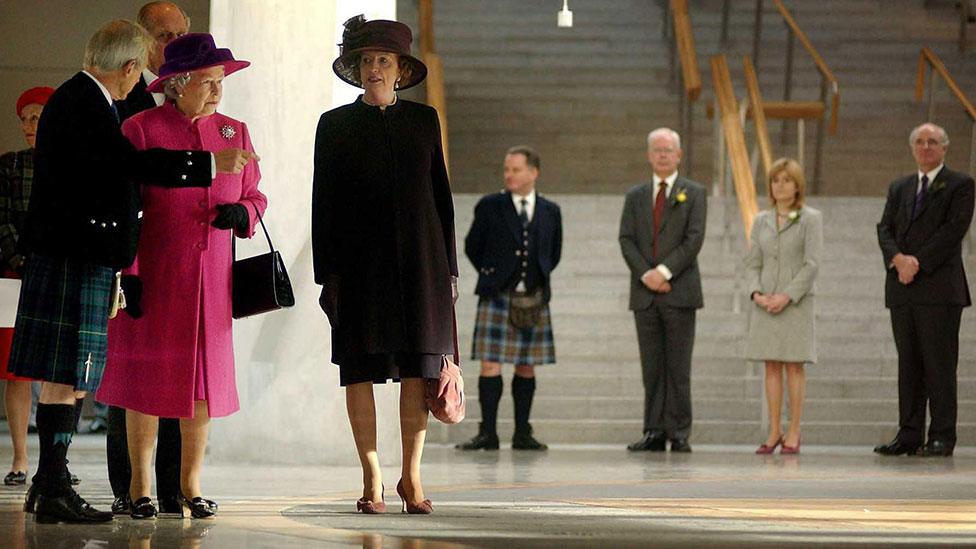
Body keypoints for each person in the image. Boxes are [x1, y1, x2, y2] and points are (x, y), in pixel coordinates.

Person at [8, 19, 255, 524]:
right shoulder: (93, 107)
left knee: (71, 376)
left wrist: (242, 211)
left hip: (95, 257)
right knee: (69, 375)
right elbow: (127, 172)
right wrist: (206, 167)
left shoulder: (87, 101)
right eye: (137, 72)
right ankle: (56, 484)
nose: (138, 82)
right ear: (126, 68)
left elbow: (249, 191)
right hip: (81, 255)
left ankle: (50, 483)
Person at [96, 32, 265, 520]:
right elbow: (125, 208)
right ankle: (141, 485)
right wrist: (129, 273)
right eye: (208, 82)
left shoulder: (235, 131)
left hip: (212, 282)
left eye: (220, 82)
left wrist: (244, 215)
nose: (217, 91)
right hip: (154, 275)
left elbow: (256, 195)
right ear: (177, 85)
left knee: (202, 388)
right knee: (143, 383)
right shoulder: (142, 130)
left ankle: (191, 484)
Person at [312, 15, 457, 515]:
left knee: (419, 369)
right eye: (367, 60)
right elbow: (322, 203)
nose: (374, 68)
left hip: (422, 264)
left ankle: (411, 476)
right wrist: (327, 275)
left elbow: (441, 198)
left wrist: (450, 272)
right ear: (356, 68)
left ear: (400, 69)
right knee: (359, 369)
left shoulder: (424, 121)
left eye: (384, 61)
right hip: (356, 267)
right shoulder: (334, 125)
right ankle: (371, 473)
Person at [100, 0, 190, 517]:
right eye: (164, 34)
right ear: (141, 40)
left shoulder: (194, 92)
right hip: (133, 256)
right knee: (128, 376)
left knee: (180, 373)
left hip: (180, 258)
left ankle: (176, 487)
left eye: (181, 33)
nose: (174, 43)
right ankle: (127, 486)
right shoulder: (123, 96)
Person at [875, 122, 974, 458]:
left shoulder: (960, 184)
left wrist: (916, 262)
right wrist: (898, 260)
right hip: (902, 290)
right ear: (912, 147)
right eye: (920, 141)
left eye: (933, 141)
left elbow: (953, 230)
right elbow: (884, 228)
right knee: (909, 364)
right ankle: (909, 434)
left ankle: (942, 435)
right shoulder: (899, 186)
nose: (926, 147)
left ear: (945, 147)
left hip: (939, 288)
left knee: (939, 364)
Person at [456, 146, 562, 451]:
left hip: (533, 296)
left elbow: (553, 252)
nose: (509, 175)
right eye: (506, 169)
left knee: (526, 366)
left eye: (515, 169)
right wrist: (493, 273)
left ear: (533, 172)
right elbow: (472, 245)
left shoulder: (549, 210)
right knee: (491, 365)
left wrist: (537, 275)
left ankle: (522, 434)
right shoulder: (490, 205)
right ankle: (487, 433)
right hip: (497, 295)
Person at [619, 128, 705, 453]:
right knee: (652, 366)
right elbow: (626, 239)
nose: (663, 154)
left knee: (678, 367)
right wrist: (646, 274)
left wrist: (665, 271)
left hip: (680, 292)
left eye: (668, 149)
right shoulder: (635, 196)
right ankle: (654, 430)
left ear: (679, 155)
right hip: (645, 294)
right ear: (649, 155)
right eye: (657, 149)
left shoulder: (694, 193)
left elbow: (693, 239)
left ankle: (679, 431)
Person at [743, 158, 823, 455]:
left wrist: (786, 295)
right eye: (776, 180)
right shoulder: (761, 219)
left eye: (787, 180)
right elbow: (752, 263)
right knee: (771, 366)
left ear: (797, 185)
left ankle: (793, 430)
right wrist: (756, 293)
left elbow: (812, 263)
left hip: (796, 303)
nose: (780, 185)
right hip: (765, 302)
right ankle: (774, 429)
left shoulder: (810, 218)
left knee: (794, 366)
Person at [1, 86, 54, 486]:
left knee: (57, 371)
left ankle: (54, 461)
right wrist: (19, 259)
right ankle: (20, 457)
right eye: (25, 118)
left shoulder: (70, 164)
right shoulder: (9, 166)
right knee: (15, 371)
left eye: (37, 117)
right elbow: (0, 219)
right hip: (13, 275)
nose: (29, 125)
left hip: (56, 273)